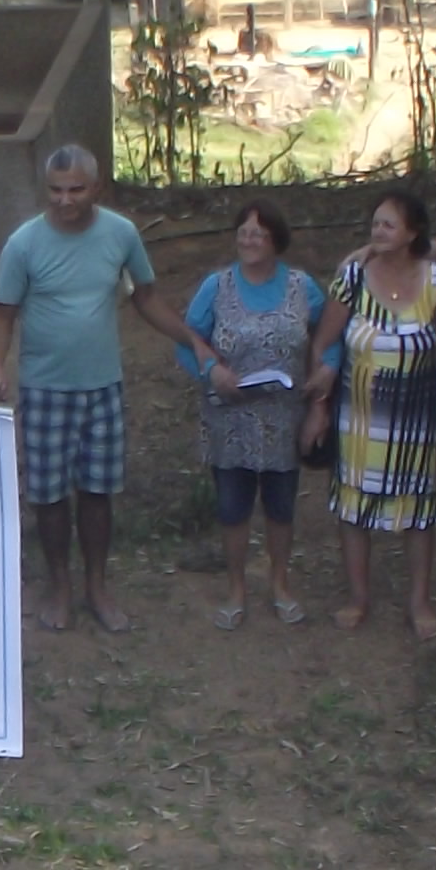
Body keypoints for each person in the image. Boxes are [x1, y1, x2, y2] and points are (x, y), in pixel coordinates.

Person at [0, 144, 205, 633]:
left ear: (96, 188)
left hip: (102, 384)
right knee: (48, 494)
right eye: (56, 191)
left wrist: (191, 338)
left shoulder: (121, 234)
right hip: (45, 387)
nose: (64, 200)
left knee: (98, 490)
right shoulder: (24, 244)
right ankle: (59, 585)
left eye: (75, 190)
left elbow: (145, 297)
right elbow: (3, 312)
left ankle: (97, 586)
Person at [306, 188, 436, 637]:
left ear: (414, 232)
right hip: (359, 419)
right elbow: (323, 343)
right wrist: (320, 404)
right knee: (353, 510)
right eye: (375, 224)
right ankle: (358, 598)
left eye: (389, 224)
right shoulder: (353, 274)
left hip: (416, 421)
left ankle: (419, 602)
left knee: (418, 513)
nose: (378, 231)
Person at [182, 200, 322, 630]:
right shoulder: (216, 286)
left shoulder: (303, 287)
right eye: (243, 232)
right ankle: (236, 588)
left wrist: (323, 390)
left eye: (258, 233)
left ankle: (280, 583)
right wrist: (211, 370)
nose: (248, 240)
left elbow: (327, 338)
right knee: (232, 506)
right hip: (231, 418)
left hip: (283, 417)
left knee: (281, 505)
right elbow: (188, 338)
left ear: (276, 239)